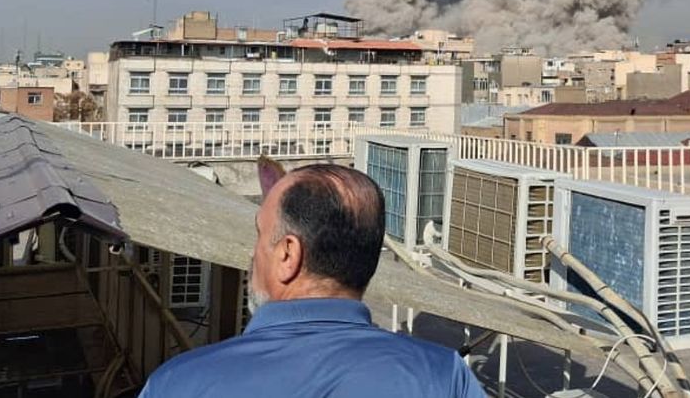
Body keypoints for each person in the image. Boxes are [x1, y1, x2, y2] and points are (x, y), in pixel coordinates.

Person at [140, 163, 486, 398]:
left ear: (288, 255)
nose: (253, 254)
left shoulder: (180, 384)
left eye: (260, 235)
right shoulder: (443, 377)